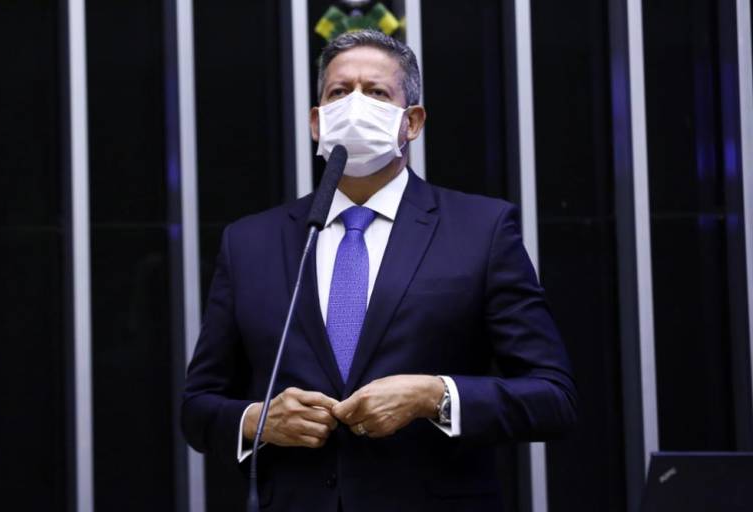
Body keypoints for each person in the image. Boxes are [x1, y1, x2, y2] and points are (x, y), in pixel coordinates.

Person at [182, 29, 577, 512]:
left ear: (412, 122)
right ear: (317, 122)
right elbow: (198, 407)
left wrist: (435, 395)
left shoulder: (481, 230)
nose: (355, 105)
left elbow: (553, 397)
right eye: (339, 92)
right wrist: (257, 421)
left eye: (376, 92)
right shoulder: (251, 242)